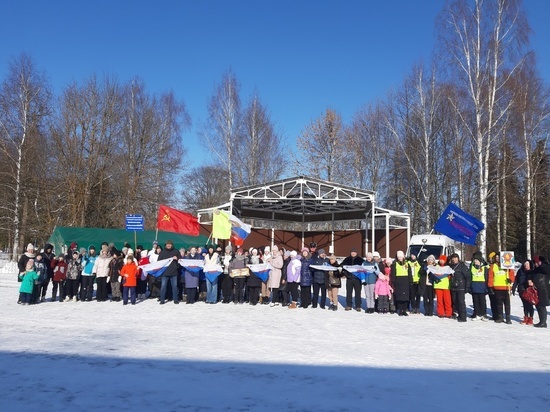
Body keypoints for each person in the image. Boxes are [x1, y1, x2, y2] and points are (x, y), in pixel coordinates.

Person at [488, 252, 515, 324]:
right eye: (496, 257)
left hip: (506, 287)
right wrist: (490, 286)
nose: (497, 258)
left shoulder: (508, 265)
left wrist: (511, 280)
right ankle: (500, 317)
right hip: (497, 287)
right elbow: (491, 276)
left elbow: (512, 274)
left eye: (498, 257)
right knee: (499, 303)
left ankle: (508, 317)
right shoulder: (493, 266)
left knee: (507, 303)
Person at [448, 253, 470, 322]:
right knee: (454, 301)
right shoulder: (450, 266)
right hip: (453, 287)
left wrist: (467, 287)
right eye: (453, 258)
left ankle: (463, 317)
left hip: (461, 287)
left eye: (455, 258)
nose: (454, 259)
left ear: (458, 258)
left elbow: (467, 277)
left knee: (461, 302)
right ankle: (456, 314)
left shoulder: (462, 266)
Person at [390, 250, 412, 316]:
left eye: (401, 257)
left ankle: (404, 310)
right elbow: (393, 274)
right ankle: (400, 310)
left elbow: (410, 273)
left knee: (405, 297)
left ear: (403, 257)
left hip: (406, 281)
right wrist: (393, 281)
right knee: (399, 297)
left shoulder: (407, 264)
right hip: (398, 281)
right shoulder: (394, 264)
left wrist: (410, 281)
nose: (400, 258)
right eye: (398, 257)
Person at [158, 240, 180, 305]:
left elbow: (181, 260)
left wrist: (177, 259)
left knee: (175, 286)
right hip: (165, 272)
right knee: (163, 286)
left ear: (172, 245)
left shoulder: (176, 251)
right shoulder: (162, 252)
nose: (168, 245)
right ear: (165, 245)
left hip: (174, 272)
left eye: (170, 244)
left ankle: (175, 299)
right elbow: (159, 262)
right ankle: (162, 299)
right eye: (167, 244)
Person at [531, 256, 549, 328]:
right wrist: (530, 280)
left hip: (544, 289)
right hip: (537, 289)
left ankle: (543, 322)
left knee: (542, 305)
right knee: (538, 305)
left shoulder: (546, 267)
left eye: (536, 262)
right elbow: (531, 274)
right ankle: (541, 321)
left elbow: (546, 269)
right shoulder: (536, 269)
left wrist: (541, 264)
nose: (535, 264)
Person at [469, 252, 489, 321]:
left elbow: (487, 277)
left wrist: (487, 287)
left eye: (477, 260)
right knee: (475, 301)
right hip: (474, 285)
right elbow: (470, 276)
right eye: (475, 260)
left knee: (482, 301)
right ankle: (477, 314)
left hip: (482, 286)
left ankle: (483, 314)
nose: (475, 262)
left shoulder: (484, 267)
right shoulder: (472, 266)